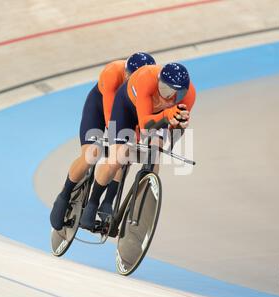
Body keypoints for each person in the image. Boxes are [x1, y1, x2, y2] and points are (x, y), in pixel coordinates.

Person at [79, 62, 196, 230]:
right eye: (164, 89)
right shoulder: (146, 79)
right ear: (158, 81)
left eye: (174, 93)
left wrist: (177, 127)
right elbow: (144, 125)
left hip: (161, 116)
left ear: (184, 92)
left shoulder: (189, 96)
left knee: (154, 159)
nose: (167, 96)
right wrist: (166, 114)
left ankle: (138, 208)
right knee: (118, 157)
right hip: (129, 107)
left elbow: (173, 133)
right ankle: (93, 202)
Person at [49, 52, 156, 231]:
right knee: (92, 154)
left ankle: (107, 200)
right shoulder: (112, 72)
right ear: (127, 73)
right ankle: (64, 194)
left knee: (125, 154)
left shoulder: (149, 85)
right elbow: (109, 116)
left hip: (127, 110)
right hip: (100, 107)